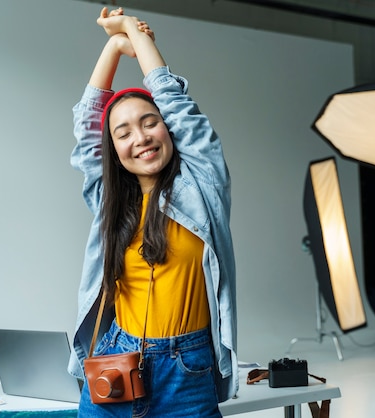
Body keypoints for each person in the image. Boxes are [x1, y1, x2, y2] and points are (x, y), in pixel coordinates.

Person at [67, 7, 238, 417]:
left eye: (150, 123)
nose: (140, 138)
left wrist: (135, 34)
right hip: (116, 360)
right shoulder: (110, 202)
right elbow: (88, 123)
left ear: (168, 129)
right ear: (114, 150)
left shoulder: (203, 187)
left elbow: (178, 105)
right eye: (123, 133)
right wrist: (113, 45)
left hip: (187, 369)